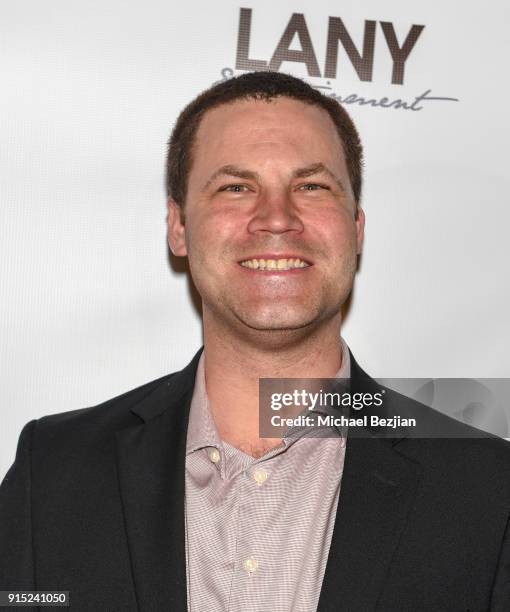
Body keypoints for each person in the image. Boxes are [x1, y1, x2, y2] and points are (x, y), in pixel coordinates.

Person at [1, 71, 509, 611]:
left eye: (311, 186)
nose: (276, 219)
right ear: (178, 226)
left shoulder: (486, 489)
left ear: (356, 227)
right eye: (235, 187)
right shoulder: (55, 469)